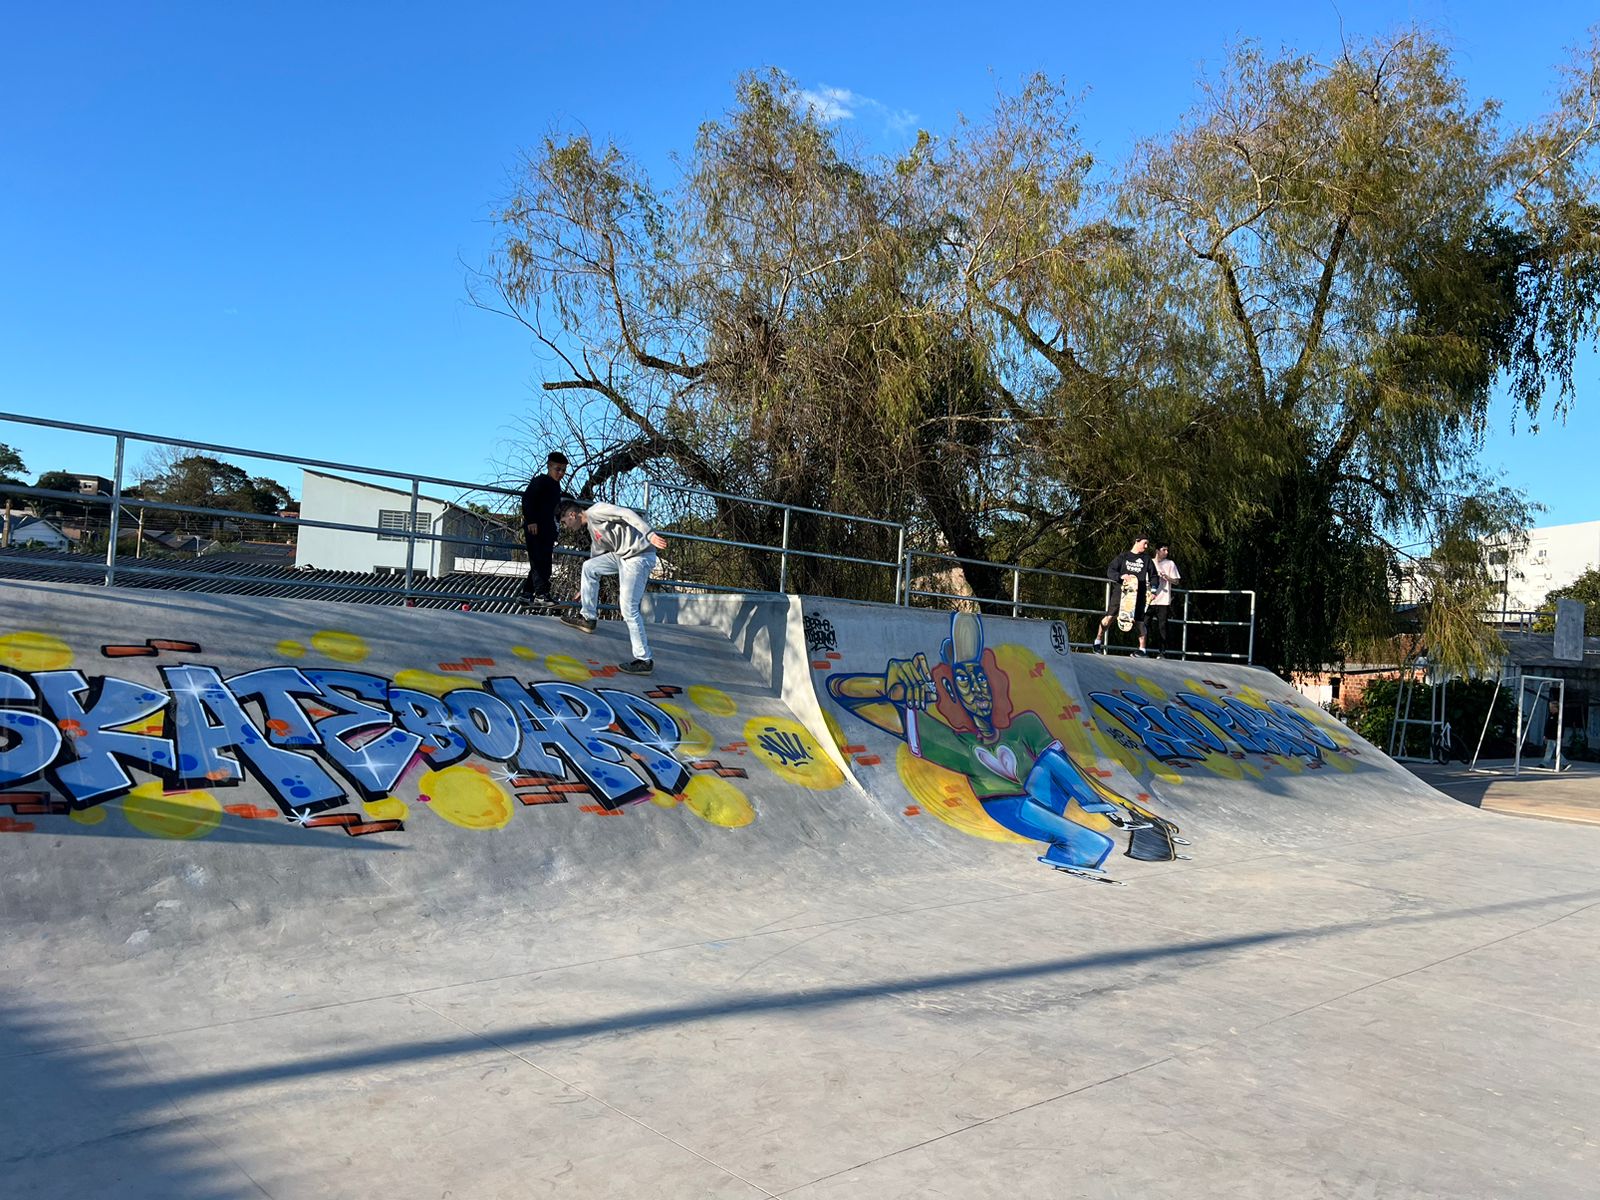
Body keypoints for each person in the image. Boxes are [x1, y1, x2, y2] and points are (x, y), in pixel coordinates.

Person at [558, 497, 668, 675]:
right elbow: (595, 557)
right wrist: (584, 588)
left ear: (571, 515)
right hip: (622, 556)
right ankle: (588, 619)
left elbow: (626, 513)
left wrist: (649, 534)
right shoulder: (593, 530)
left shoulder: (596, 511)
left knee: (628, 608)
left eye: (564, 522)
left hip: (639, 556)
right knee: (589, 567)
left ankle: (644, 660)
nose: (566, 527)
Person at [1091, 534, 1160, 656]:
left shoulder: (1146, 559)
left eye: (1147, 544)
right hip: (1122, 592)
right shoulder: (1124, 556)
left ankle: (1142, 650)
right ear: (1137, 541)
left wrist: (1153, 590)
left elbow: (1154, 575)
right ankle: (1097, 642)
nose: (1146, 546)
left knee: (1139, 622)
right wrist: (1120, 577)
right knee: (1109, 618)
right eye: (1144, 543)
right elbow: (1110, 570)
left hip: (1139, 594)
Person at [519, 452, 568, 605]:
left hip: (548, 529)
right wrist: (531, 520)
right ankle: (541, 594)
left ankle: (527, 594)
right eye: (557, 469)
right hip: (535, 529)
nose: (560, 473)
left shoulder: (556, 486)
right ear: (549, 466)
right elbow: (527, 500)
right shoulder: (540, 481)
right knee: (540, 563)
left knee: (543, 562)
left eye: (563, 470)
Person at [1147, 544, 1182, 658]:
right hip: (1149, 599)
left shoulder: (1170, 563)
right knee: (1144, 624)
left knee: (1162, 626)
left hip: (1163, 600)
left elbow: (1176, 581)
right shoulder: (1149, 562)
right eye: (1164, 550)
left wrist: (1167, 577)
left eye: (1167, 550)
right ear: (1157, 551)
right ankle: (1142, 649)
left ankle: (1162, 652)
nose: (1166, 552)